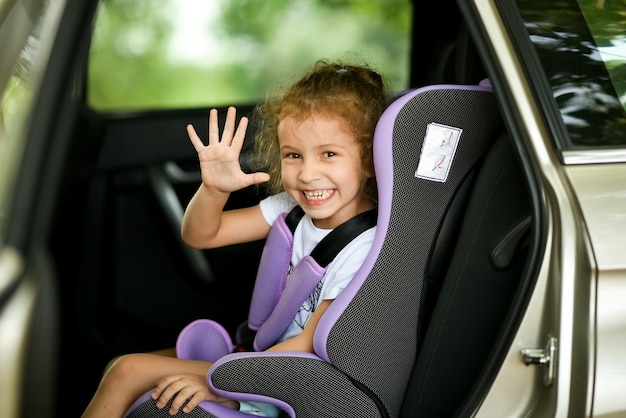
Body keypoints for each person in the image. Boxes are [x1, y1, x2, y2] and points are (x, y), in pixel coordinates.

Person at [81, 59, 388, 418]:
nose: (307, 173)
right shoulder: (290, 208)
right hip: (261, 360)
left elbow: (309, 345)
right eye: (293, 155)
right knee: (121, 364)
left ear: (369, 159)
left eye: (329, 154)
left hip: (293, 382)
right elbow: (201, 235)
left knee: (126, 372)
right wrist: (213, 189)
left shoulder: (362, 248)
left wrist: (224, 385)